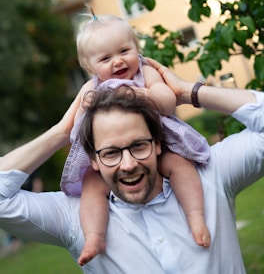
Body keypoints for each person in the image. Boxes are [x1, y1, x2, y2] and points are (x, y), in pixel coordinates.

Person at [0, 64, 263, 273]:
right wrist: (62, 132)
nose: (128, 165)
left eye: (138, 146)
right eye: (111, 153)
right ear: (92, 159)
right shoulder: (75, 217)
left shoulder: (208, 176)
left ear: (158, 142)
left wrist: (186, 93)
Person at [60, 14, 210, 265]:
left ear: (137, 49)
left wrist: (144, 94)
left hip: (161, 143)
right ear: (90, 67)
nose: (118, 61)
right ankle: (94, 236)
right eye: (106, 58)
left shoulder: (146, 73)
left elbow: (167, 100)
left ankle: (195, 217)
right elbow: (79, 125)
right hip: (117, 152)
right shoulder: (91, 87)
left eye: (124, 50)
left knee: (181, 166)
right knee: (92, 185)